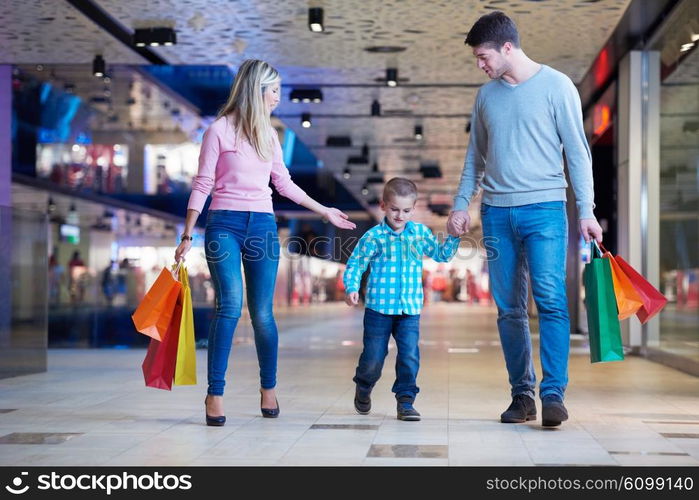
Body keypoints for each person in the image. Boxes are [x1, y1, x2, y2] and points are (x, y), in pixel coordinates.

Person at [174, 59, 356, 426]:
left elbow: (283, 184)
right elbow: (203, 183)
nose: (278, 97)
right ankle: (215, 393)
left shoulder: (269, 135)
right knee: (229, 306)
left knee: (262, 314)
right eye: (274, 90)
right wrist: (187, 233)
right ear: (256, 91)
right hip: (223, 224)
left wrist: (325, 212)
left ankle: (268, 387)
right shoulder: (219, 131)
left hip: (262, 226)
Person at [447, 12, 603, 427]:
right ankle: (522, 395)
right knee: (508, 310)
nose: (480, 64)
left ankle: (553, 394)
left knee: (550, 299)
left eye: (483, 56)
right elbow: (474, 160)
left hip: (546, 210)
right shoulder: (486, 97)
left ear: (507, 48)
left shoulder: (557, 87)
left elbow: (577, 153)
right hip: (496, 214)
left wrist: (586, 210)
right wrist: (461, 203)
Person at [344, 178, 460, 421]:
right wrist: (352, 286)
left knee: (409, 355)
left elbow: (441, 255)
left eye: (406, 210)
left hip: (409, 310)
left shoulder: (419, 233)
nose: (400, 215)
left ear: (414, 208)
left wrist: (453, 237)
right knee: (373, 358)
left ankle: (406, 401)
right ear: (383, 205)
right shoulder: (374, 236)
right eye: (394, 209)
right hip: (378, 309)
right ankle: (364, 386)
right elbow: (356, 263)